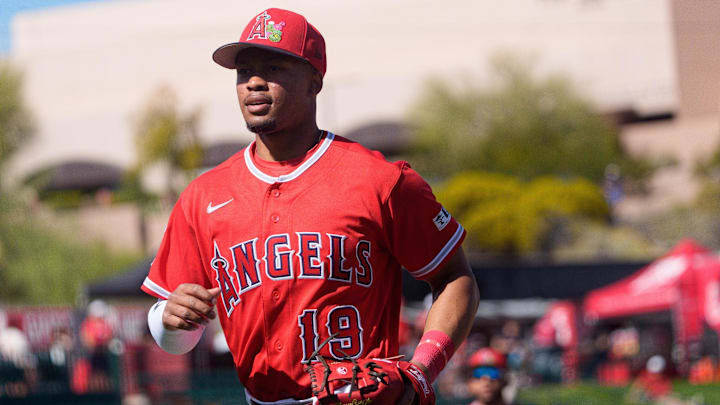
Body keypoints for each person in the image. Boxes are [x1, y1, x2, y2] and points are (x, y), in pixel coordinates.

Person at [141, 8, 480, 405]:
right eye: (243, 71)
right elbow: (176, 341)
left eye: (273, 67)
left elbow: (457, 279)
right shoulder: (203, 195)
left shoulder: (380, 180)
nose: (253, 82)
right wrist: (171, 320)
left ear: (314, 82)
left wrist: (421, 372)